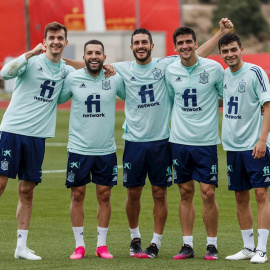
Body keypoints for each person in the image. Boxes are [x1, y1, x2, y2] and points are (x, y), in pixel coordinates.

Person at [63, 18, 233, 258]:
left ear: (152, 46)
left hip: (162, 141)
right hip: (134, 140)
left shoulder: (166, 66)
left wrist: (219, 34)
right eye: (136, 43)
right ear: (132, 47)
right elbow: (92, 63)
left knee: (160, 193)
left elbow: (194, 52)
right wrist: (60, 59)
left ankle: (155, 242)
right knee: (133, 193)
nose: (140, 46)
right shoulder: (121, 68)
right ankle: (135, 239)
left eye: (144, 42)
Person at [0, 22, 75, 260]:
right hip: (12, 131)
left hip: (37, 137)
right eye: (51, 37)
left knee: (27, 190)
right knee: (0, 185)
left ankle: (21, 247)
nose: (55, 41)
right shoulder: (31, 61)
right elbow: (4, 73)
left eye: (60, 37)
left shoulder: (65, 71)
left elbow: (63, 96)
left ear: (66, 42)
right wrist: (30, 53)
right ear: (45, 40)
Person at [58, 40, 125, 260]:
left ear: (105, 58)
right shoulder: (73, 78)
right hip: (78, 148)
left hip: (105, 149)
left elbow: (131, 98)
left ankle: (101, 245)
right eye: (89, 53)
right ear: (84, 57)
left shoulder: (114, 78)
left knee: (104, 196)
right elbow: (57, 99)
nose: (93, 56)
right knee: (77, 195)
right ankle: (79, 246)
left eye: (98, 53)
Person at [165, 26, 224, 260]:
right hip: (179, 142)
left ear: (196, 43)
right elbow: (172, 99)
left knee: (208, 193)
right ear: (175, 47)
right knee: (185, 192)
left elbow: (224, 97)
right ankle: (187, 245)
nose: (185, 46)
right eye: (180, 43)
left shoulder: (214, 68)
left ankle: (211, 245)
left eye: (189, 42)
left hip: (206, 141)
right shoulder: (170, 71)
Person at [218, 33, 270, 264]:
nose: (229, 54)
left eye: (233, 49)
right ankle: (248, 247)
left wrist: (262, 140)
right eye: (225, 51)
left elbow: (267, 106)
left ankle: (262, 249)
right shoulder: (223, 76)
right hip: (233, 146)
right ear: (221, 54)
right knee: (240, 196)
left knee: (261, 194)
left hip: (254, 145)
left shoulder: (255, 72)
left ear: (241, 48)